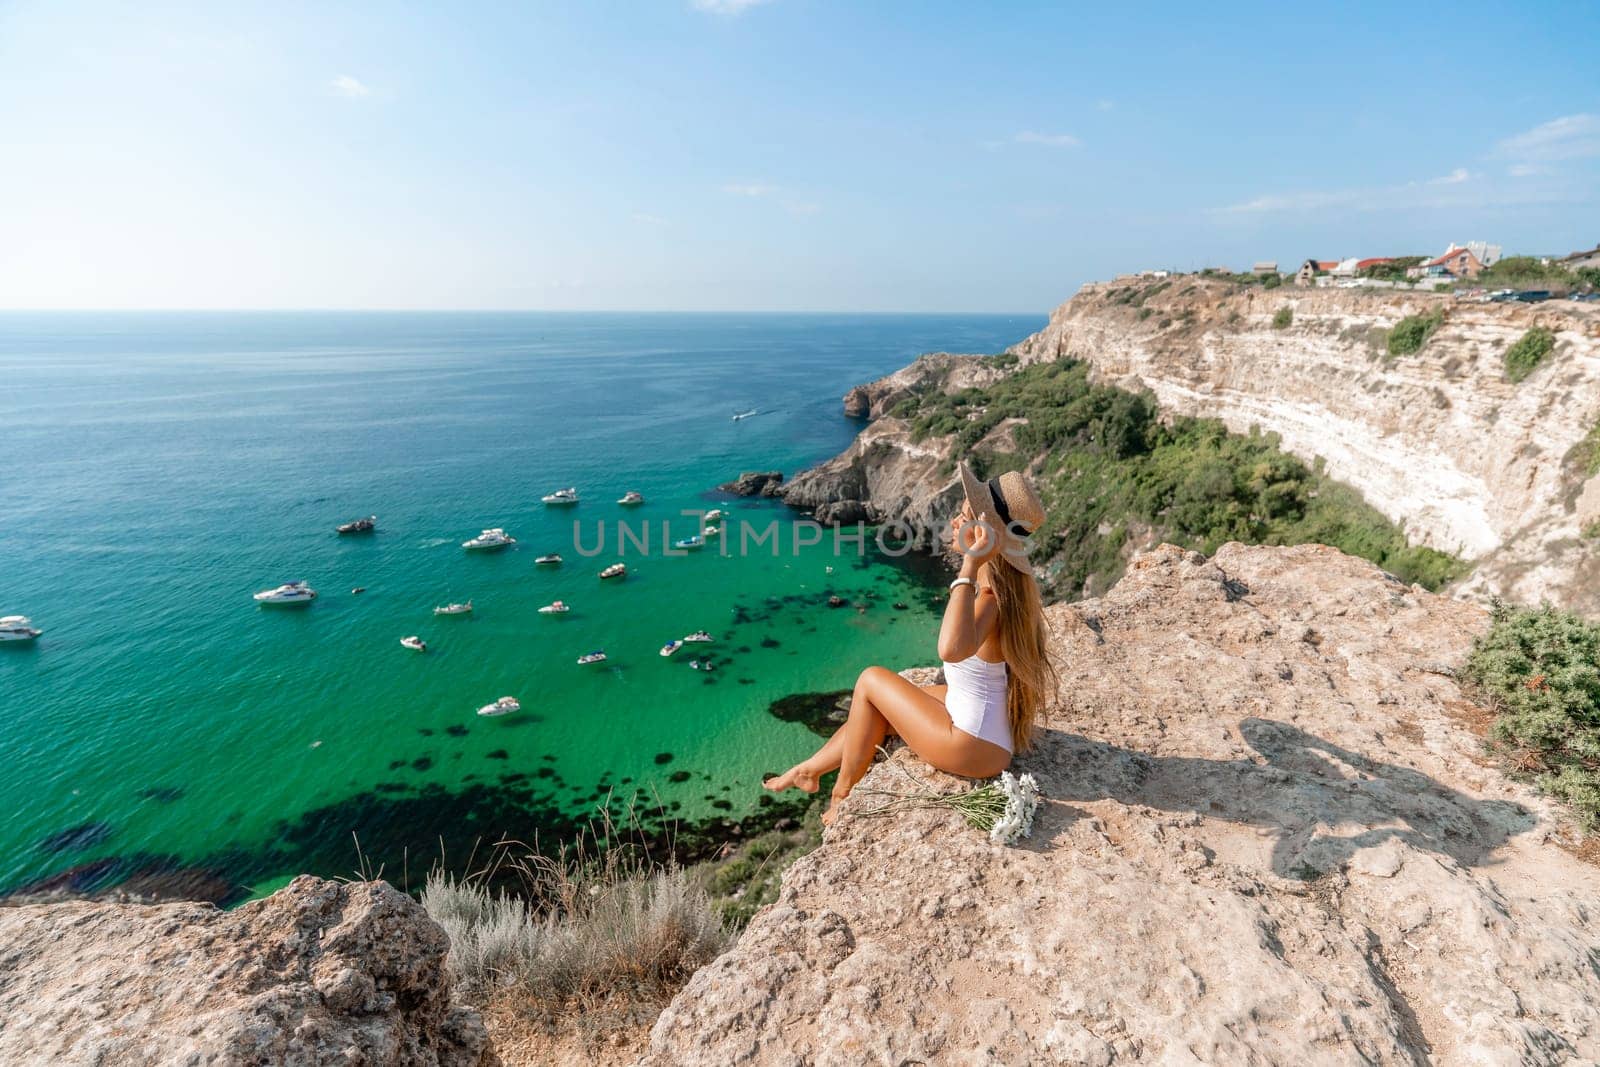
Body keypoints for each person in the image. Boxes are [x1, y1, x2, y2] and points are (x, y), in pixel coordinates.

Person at [764, 462, 1056, 824]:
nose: (953, 521)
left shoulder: (989, 599)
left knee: (871, 679)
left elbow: (950, 649)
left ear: (984, 534)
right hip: (979, 727)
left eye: (964, 515)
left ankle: (840, 798)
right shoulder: (998, 593)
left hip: (973, 745)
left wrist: (967, 567)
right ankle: (810, 770)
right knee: (879, 706)